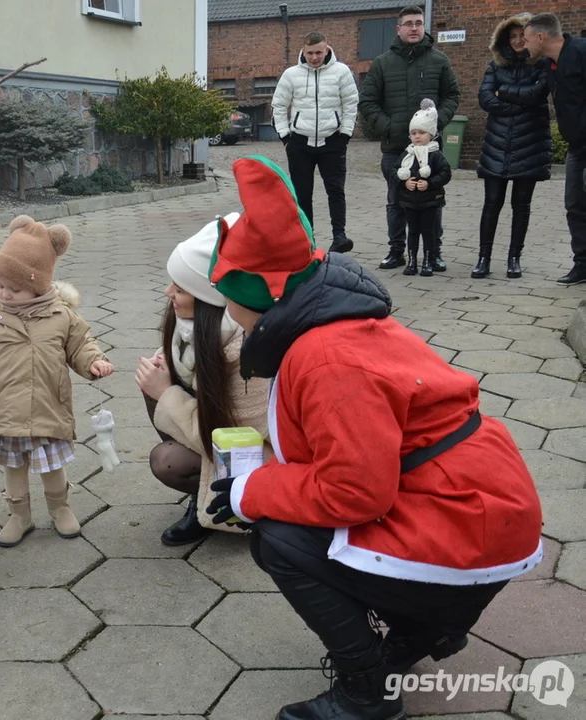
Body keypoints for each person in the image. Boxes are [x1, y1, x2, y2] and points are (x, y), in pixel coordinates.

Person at [203, 155, 543, 720]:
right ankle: (420, 629)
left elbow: (354, 493)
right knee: (291, 522)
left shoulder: (326, 358)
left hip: (465, 524)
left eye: (224, 297)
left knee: (280, 539)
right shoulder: (344, 322)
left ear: (254, 296)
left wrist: (252, 491)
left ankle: (367, 690)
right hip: (478, 507)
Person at [0, 216, 114, 547]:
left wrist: (94, 362)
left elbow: (80, 343)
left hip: (48, 408)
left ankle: (60, 507)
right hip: (6, 412)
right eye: (1, 286)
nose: (6, 294)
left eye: (15, 288)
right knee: (14, 468)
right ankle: (19, 515)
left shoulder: (61, 316)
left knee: (52, 465)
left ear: (38, 285)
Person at [134, 220, 271, 547]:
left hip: (258, 457)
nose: (169, 293)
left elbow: (244, 444)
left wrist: (167, 393)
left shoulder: (246, 350)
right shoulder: (189, 324)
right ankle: (203, 490)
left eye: (179, 288)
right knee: (155, 380)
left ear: (207, 298)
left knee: (165, 460)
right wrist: (164, 377)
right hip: (212, 430)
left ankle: (236, 504)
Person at [359, 5, 460, 272]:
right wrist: (389, 127)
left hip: (430, 151)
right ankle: (396, 252)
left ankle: (433, 253)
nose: (414, 27)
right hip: (396, 149)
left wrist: (437, 122)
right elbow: (368, 101)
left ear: (423, 27)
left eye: (418, 22)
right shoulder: (382, 63)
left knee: (432, 201)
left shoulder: (439, 61)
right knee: (396, 201)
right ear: (399, 29)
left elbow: (452, 96)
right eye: (409, 23)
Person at [474, 12, 552, 280]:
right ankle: (483, 258)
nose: (518, 41)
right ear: (505, 39)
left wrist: (503, 94)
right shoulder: (496, 65)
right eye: (513, 36)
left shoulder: (541, 64)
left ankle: (514, 258)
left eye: (522, 35)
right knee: (491, 202)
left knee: (521, 204)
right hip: (497, 144)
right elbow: (485, 98)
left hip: (530, 144)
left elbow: (538, 95)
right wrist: (518, 104)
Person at [272, 30, 359, 254]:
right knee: (302, 193)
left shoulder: (341, 72)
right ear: (303, 51)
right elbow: (279, 105)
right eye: (310, 52)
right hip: (300, 142)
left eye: (318, 52)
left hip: (332, 141)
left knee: (336, 189)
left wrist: (345, 134)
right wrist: (285, 136)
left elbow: (351, 103)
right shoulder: (291, 75)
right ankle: (306, 239)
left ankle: (339, 236)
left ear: (327, 49)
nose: (314, 57)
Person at [524, 12, 586, 286]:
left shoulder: (582, 52)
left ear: (540, 36)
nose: (524, 46)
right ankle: (582, 265)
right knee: (574, 205)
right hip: (577, 146)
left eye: (526, 40)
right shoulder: (550, 65)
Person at [394, 99, 453, 277]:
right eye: (413, 133)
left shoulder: (435, 154)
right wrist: (404, 182)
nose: (417, 136)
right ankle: (412, 261)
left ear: (431, 134)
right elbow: (395, 171)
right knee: (412, 231)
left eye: (421, 132)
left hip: (430, 201)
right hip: (410, 201)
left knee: (429, 232)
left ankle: (428, 260)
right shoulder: (407, 154)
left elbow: (445, 173)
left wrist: (430, 183)